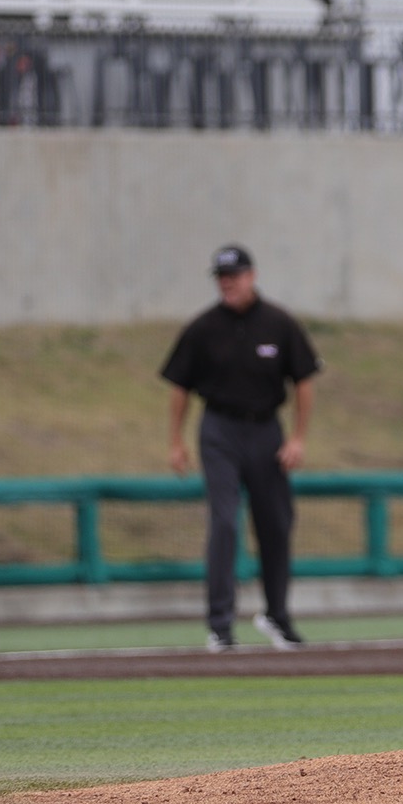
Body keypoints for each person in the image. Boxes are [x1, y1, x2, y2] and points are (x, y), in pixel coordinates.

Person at [160, 244, 322, 653]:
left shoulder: (278, 323)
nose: (227, 284)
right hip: (219, 430)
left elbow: (304, 380)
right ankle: (220, 623)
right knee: (226, 522)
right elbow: (179, 386)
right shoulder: (203, 328)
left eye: (233, 276)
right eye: (221, 277)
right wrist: (176, 441)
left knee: (276, 524)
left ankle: (277, 617)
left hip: (266, 430)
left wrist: (298, 438)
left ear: (252, 276)